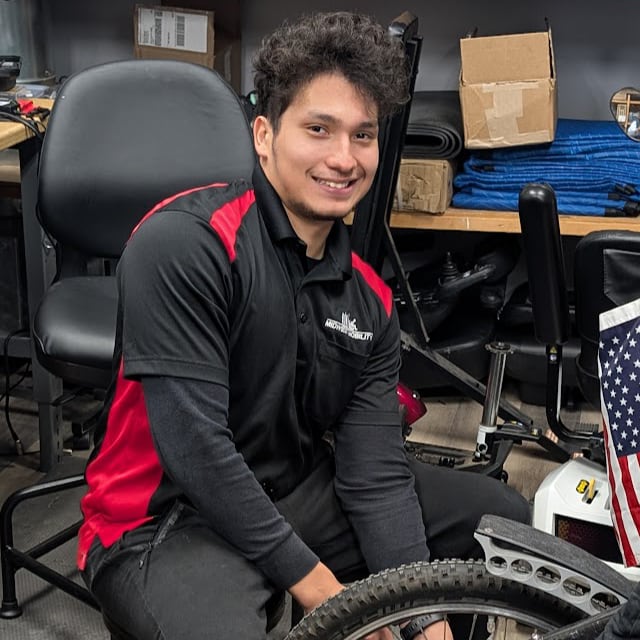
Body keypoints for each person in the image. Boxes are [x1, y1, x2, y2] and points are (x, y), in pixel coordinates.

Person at [77, 11, 530, 640]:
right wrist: (336, 598)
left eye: (363, 136)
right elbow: (197, 453)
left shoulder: (368, 299)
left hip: (293, 493)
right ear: (264, 135)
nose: (343, 159)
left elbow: (373, 473)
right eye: (319, 129)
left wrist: (421, 614)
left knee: (495, 519)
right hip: (164, 518)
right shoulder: (186, 243)